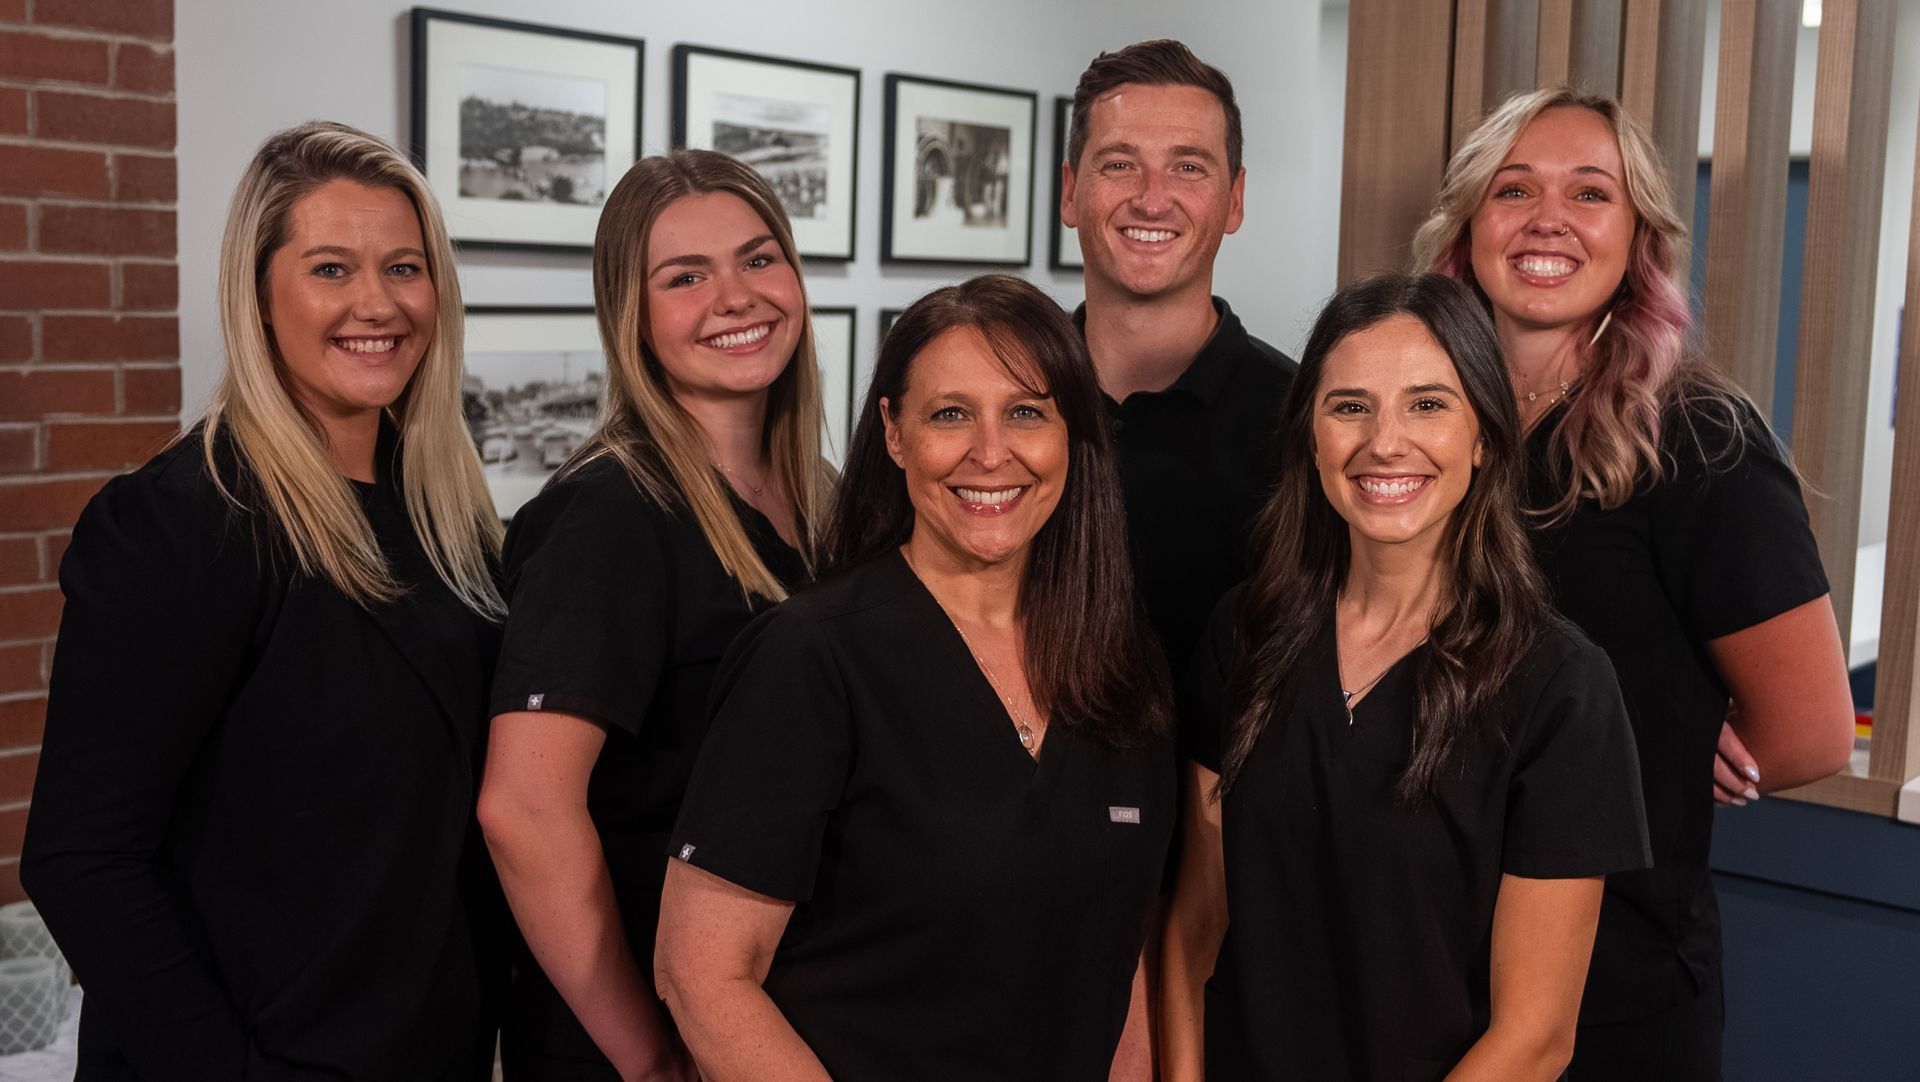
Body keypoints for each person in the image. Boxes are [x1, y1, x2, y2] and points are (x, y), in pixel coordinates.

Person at [20, 121, 506, 1080]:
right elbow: (81, 861)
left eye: (405, 268)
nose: (378, 303)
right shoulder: (181, 523)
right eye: (330, 269)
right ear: (259, 295)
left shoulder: (449, 517)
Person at [1412, 88, 1855, 1076]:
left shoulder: (1699, 442)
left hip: (1613, 989)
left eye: (1590, 193)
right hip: (1426, 961)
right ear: (1469, 225)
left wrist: (1661, 748)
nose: (1547, 219)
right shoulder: (1425, 429)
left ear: (1638, 238)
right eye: (1513, 188)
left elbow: (1814, 728)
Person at [654, 274, 1174, 1081]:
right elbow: (701, 975)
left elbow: (1121, 960)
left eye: (1027, 412)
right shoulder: (810, 659)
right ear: (895, 434)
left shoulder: (1123, 662)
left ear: (1074, 434)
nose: (991, 452)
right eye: (950, 413)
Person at [1160, 272, 1651, 1082]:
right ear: (1309, 435)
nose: (1385, 441)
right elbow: (1193, 929)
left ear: (1485, 436)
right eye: (1349, 405)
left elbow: (1535, 1039)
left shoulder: (1560, 690)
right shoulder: (1244, 632)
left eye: (1429, 404)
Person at [475, 148, 834, 1082]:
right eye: (685, 276)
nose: (736, 296)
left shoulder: (827, 500)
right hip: (649, 1031)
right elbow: (523, 811)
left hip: (771, 1019)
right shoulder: (606, 517)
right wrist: (649, 1057)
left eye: (759, 259)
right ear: (627, 315)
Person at [1060, 38, 1297, 667]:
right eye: (1118, 164)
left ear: (1235, 200)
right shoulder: (1002, 394)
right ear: (1069, 193)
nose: (1152, 198)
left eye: (1188, 166)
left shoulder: (1302, 421)